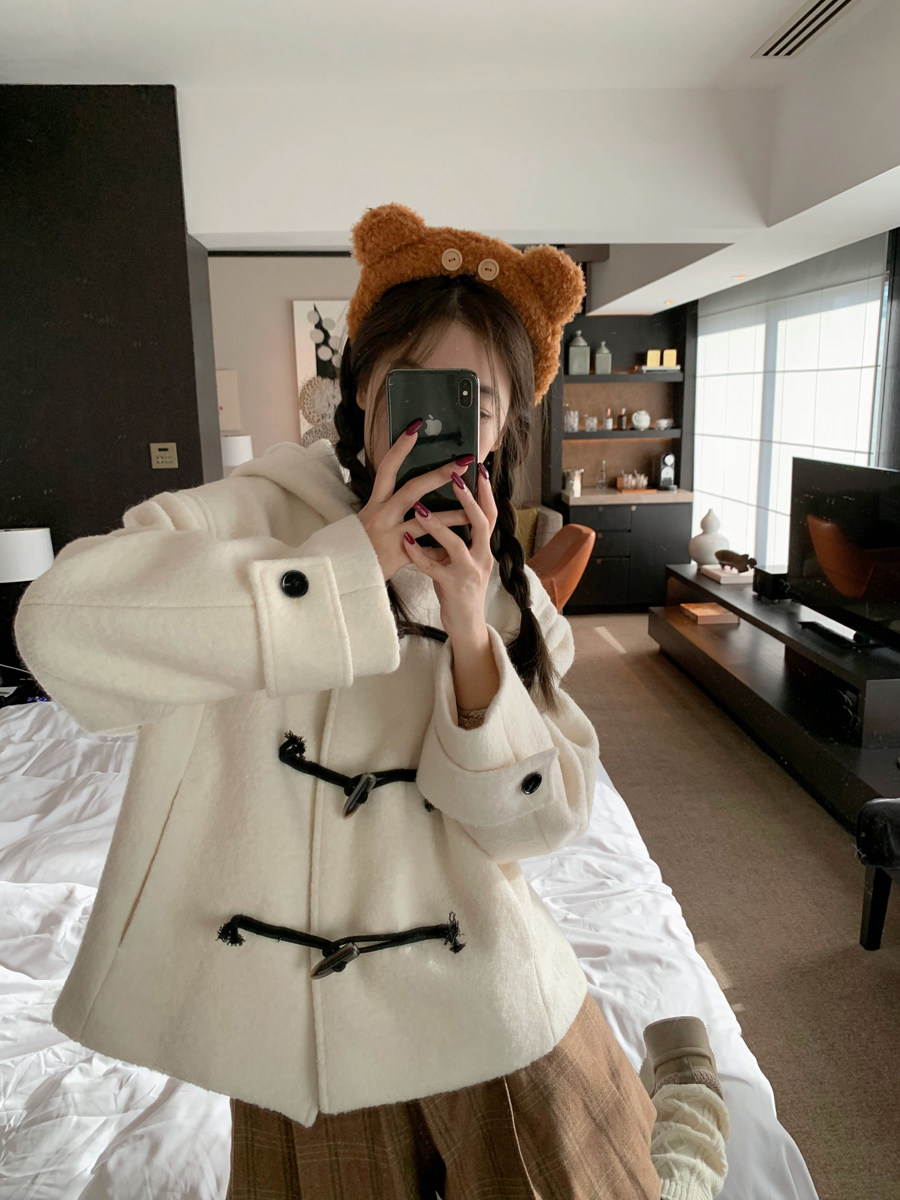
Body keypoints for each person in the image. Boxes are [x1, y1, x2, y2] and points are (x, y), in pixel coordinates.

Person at [14, 202, 728, 1199]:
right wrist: (337, 572)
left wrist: (471, 632)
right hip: (299, 1039)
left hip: (488, 1004)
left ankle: (686, 1092)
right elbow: (57, 627)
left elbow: (538, 827)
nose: (441, 424)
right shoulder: (252, 510)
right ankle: (685, 1081)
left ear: (503, 425)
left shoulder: (512, 594)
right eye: (413, 386)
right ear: (361, 389)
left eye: (476, 401)